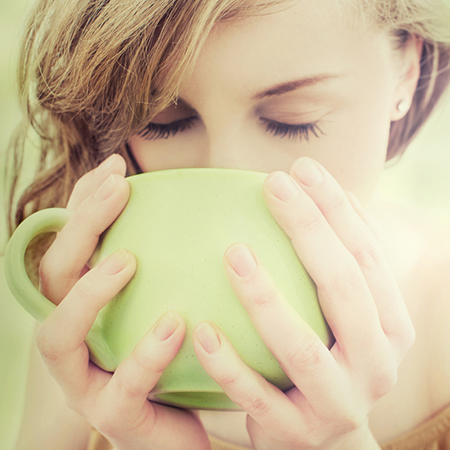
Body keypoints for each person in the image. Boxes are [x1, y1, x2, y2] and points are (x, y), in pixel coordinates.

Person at [5, 0, 450, 449]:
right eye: (163, 121)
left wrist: (340, 443)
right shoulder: (90, 309)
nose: (224, 169)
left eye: (292, 121)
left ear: (406, 72)